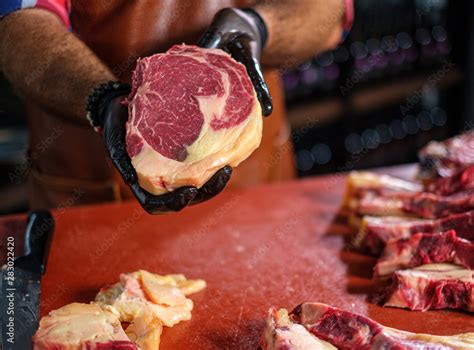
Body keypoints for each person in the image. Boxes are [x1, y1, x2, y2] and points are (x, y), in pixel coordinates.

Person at [0, 0, 352, 214]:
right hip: (91, 182)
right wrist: (101, 99)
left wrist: (261, 27)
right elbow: (18, 23)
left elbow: (328, 13)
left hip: (257, 188)